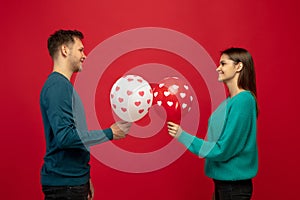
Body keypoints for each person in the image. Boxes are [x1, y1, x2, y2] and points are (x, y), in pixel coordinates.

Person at [40, 29, 132, 200]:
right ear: (65, 50)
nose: (85, 56)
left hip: (73, 182)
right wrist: (110, 133)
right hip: (65, 186)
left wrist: (84, 175)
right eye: (81, 50)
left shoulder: (63, 87)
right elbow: (65, 137)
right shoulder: (57, 87)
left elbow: (73, 135)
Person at [167, 47, 258, 200]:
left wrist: (183, 136)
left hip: (233, 188)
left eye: (223, 64)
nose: (218, 68)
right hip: (224, 186)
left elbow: (223, 149)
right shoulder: (230, 101)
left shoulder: (244, 100)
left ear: (239, 66)